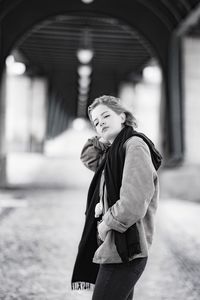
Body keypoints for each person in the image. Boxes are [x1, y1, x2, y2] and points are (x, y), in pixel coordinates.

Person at [71, 95, 162, 300]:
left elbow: (134, 202)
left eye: (105, 116)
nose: (100, 122)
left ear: (122, 117)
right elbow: (88, 157)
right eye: (96, 121)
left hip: (125, 249)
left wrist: (105, 224)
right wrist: (104, 137)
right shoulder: (114, 152)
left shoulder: (134, 146)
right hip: (116, 247)